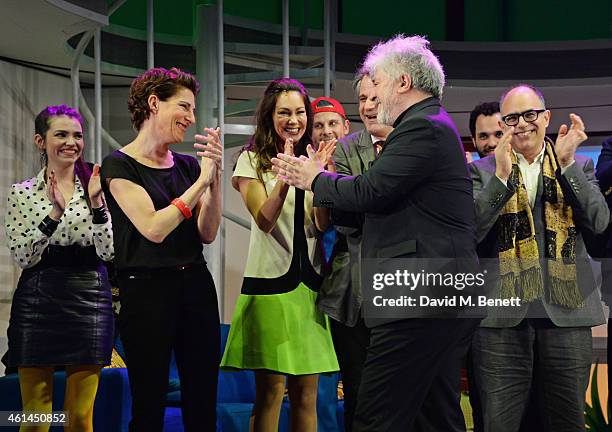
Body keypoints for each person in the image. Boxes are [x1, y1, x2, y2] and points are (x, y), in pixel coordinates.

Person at [272, 35, 479, 432]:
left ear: (403, 83)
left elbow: (372, 190)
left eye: (378, 83)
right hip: (432, 295)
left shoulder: (422, 128)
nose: (372, 94)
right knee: (434, 416)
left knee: (376, 416)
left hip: (420, 298)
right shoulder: (428, 125)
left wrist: (313, 177)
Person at [470, 84, 608, 432]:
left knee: (566, 423)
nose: (522, 124)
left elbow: (600, 223)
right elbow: (468, 233)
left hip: (567, 314)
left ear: (545, 117)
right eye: (512, 118)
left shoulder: (578, 165)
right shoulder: (482, 171)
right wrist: (501, 178)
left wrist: (566, 166)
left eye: (530, 114)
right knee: (498, 424)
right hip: (501, 319)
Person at [100, 67, 222, 432]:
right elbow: (153, 228)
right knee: (149, 401)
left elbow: (208, 233)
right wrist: (200, 183)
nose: (191, 117)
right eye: (184, 106)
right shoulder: (118, 165)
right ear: (154, 103)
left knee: (202, 398)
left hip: (195, 285)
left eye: (193, 109)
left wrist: (213, 183)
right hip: (145, 291)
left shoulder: (186, 165)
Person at [220, 78, 339, 432]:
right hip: (270, 290)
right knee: (270, 393)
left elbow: (321, 224)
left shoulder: (314, 159)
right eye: (284, 112)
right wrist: (285, 174)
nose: (293, 119)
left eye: (300, 112)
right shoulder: (251, 160)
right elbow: (264, 220)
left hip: (311, 291)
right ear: (269, 116)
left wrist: (321, 179)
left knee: (307, 395)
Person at [4, 104, 114, 431]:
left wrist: (97, 206)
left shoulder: (98, 186)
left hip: (91, 298)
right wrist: (53, 215)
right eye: (61, 134)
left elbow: (109, 252)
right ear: (41, 141)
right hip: (38, 299)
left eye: (78, 135)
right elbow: (24, 257)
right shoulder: (21, 193)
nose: (71, 142)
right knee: (36, 417)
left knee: (80, 418)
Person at [314, 79, 392, 432]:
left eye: (376, 98)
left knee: (404, 392)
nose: (369, 105)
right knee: (359, 392)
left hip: (408, 286)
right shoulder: (344, 150)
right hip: (352, 290)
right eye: (362, 98)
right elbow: (343, 216)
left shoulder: (410, 145)